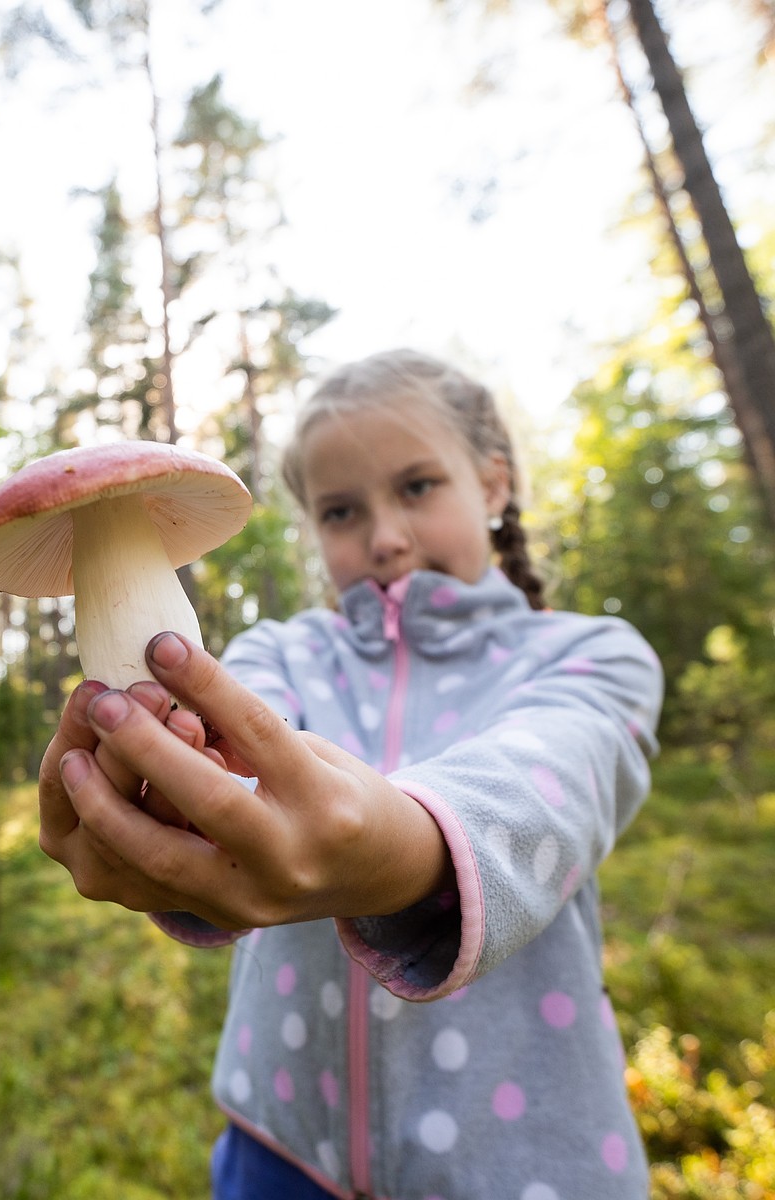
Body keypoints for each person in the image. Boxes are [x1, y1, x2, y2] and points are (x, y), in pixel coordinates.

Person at [38, 348, 664, 1200]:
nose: (385, 536)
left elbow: (548, 789)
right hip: (279, 1143)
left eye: (417, 487)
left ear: (492, 484)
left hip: (518, 1162)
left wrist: (402, 846)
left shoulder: (589, 656)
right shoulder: (280, 654)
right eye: (340, 511)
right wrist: (163, 807)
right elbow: (234, 787)